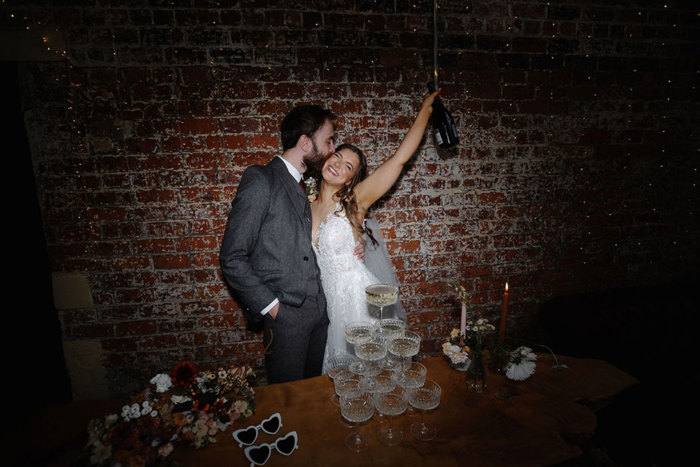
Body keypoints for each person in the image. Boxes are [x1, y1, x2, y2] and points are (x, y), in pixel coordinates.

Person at [310, 89, 439, 371]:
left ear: (350, 180)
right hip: (327, 306)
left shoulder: (354, 202)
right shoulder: (303, 205)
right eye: (337, 157)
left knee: (371, 375)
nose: (337, 165)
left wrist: (425, 110)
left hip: (359, 304)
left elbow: (399, 160)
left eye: (348, 167)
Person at [219, 104, 337, 384]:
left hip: (321, 313)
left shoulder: (301, 185)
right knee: (288, 400)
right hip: (287, 317)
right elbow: (232, 257)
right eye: (329, 140)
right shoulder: (261, 179)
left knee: (314, 395)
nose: (333, 148)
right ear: (306, 142)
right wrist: (274, 309)